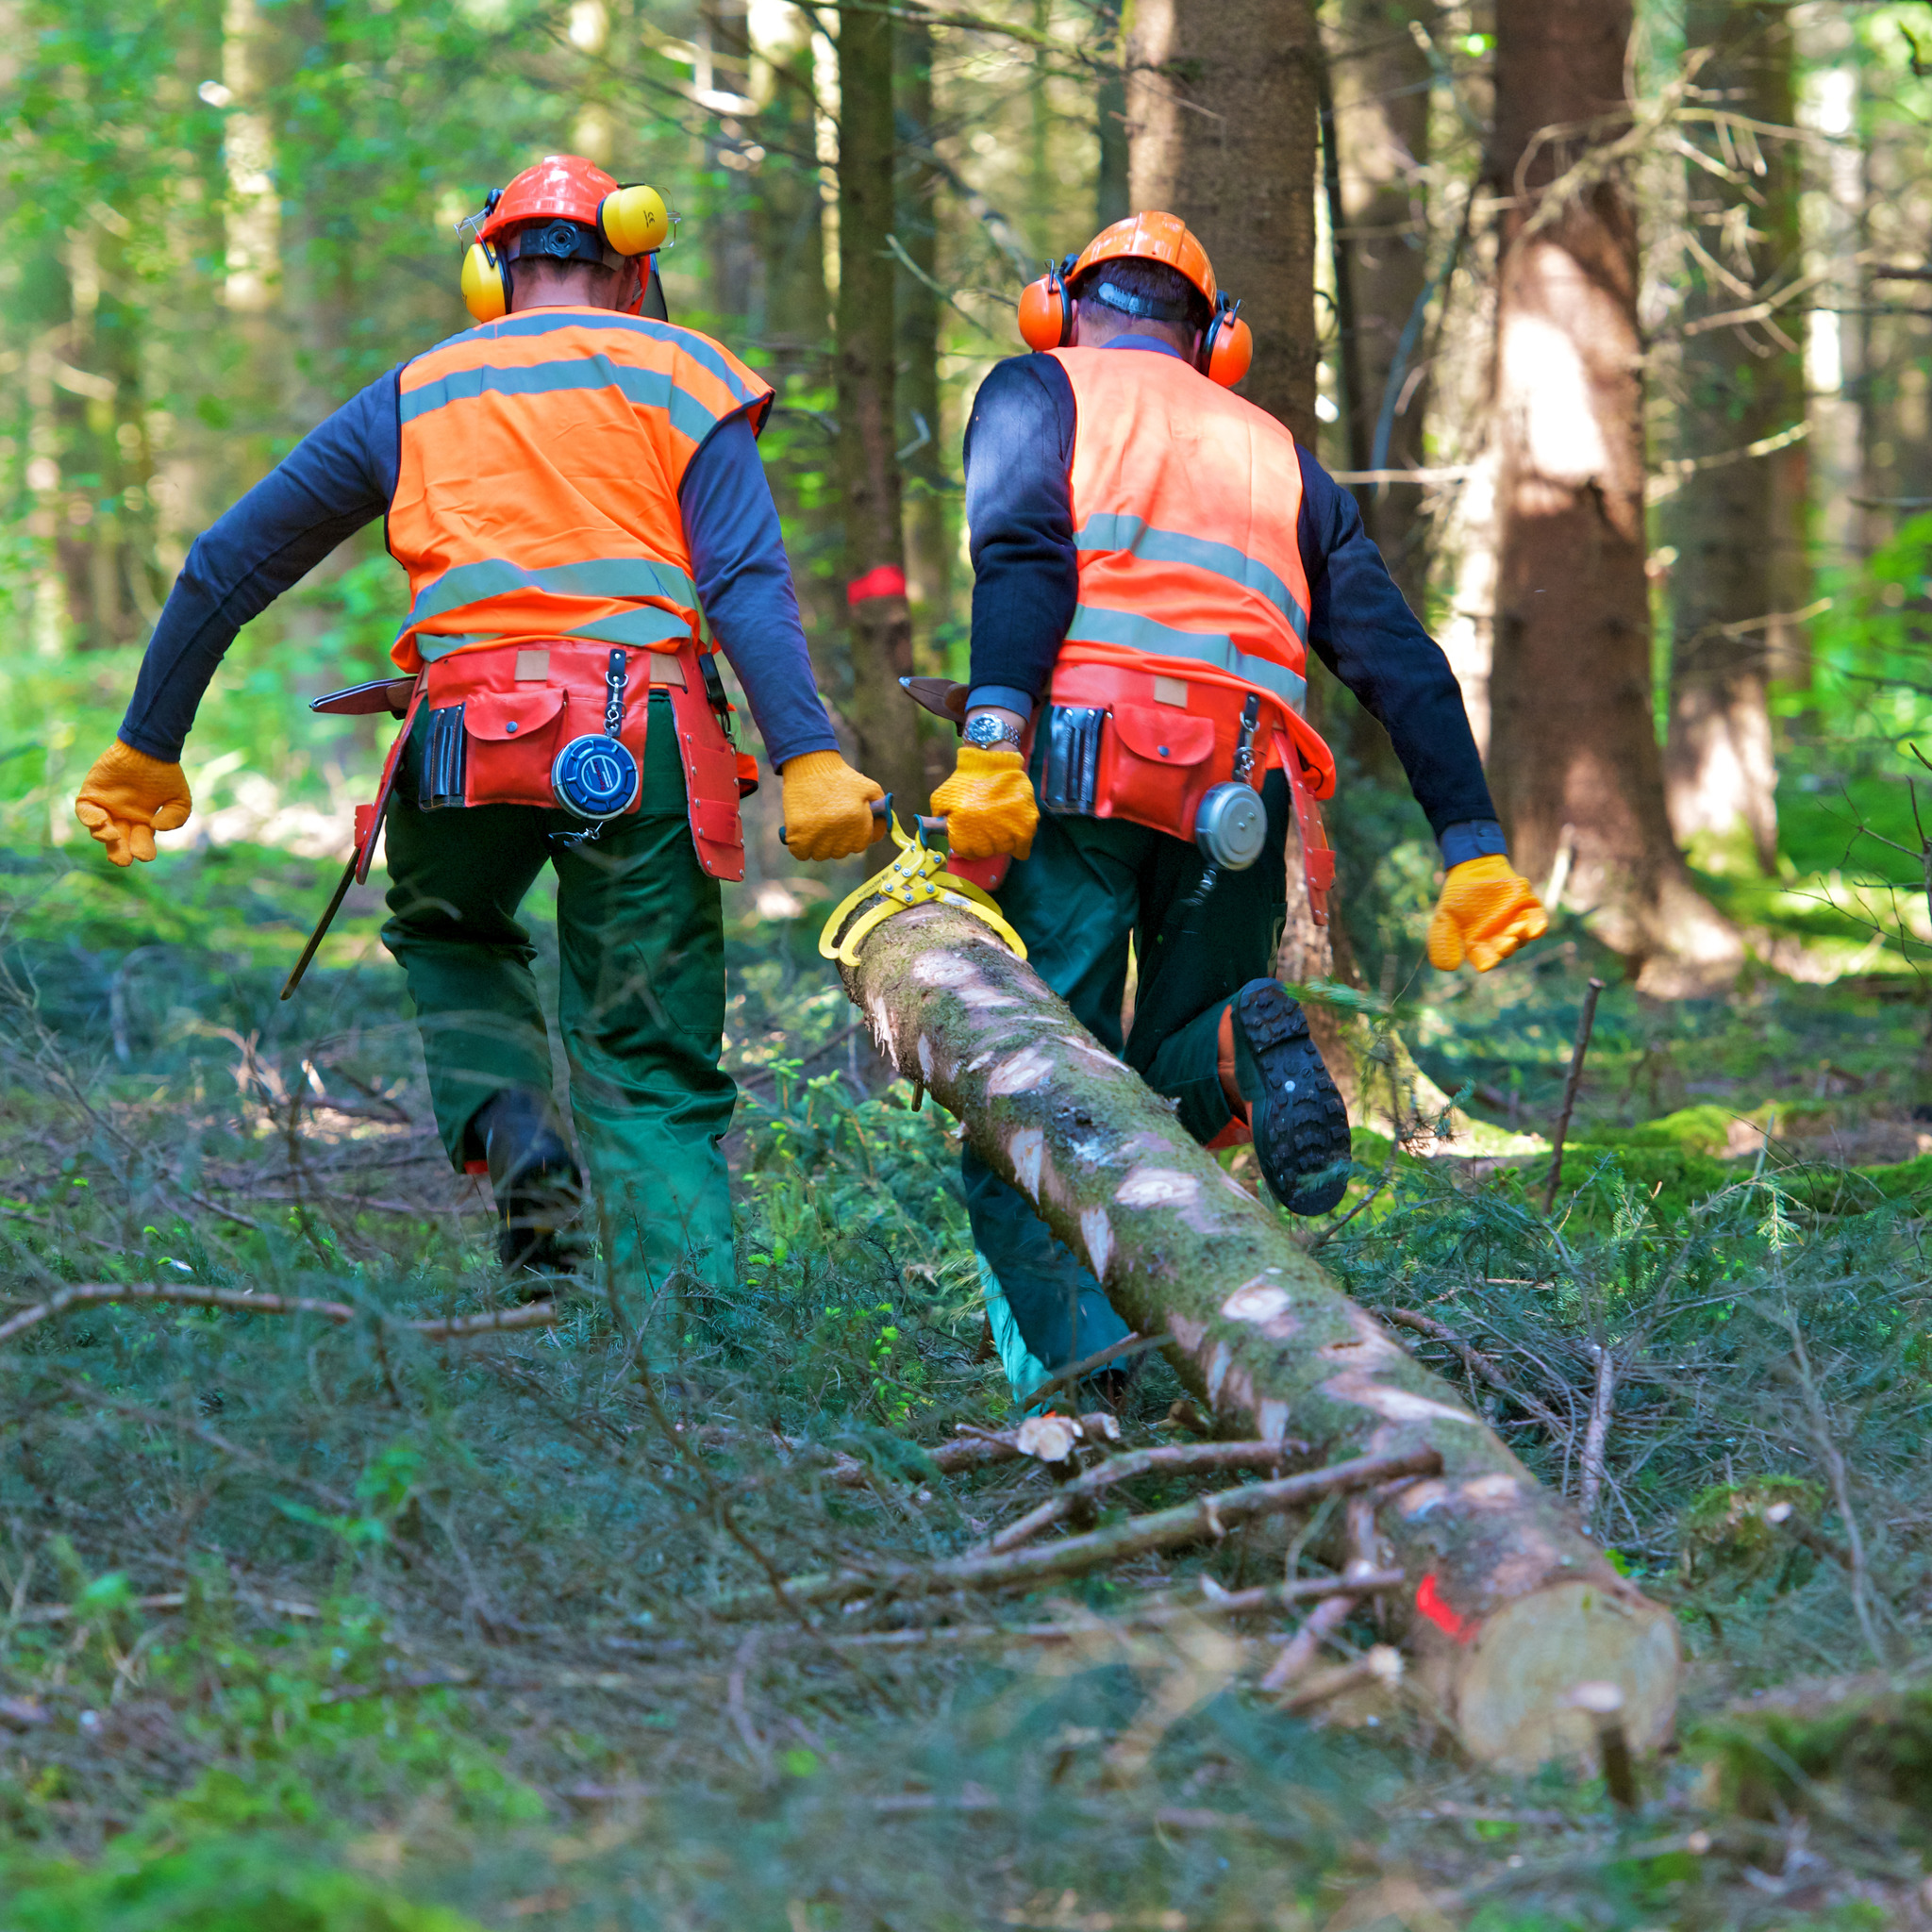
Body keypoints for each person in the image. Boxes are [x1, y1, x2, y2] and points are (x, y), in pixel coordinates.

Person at [73, 154, 885, 1293]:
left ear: (489, 272)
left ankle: (515, 1129)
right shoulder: (683, 373)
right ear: (634, 266)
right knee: (644, 1055)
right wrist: (806, 755)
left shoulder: (420, 389)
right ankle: (694, 1354)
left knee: (453, 935)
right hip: (639, 738)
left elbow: (225, 563)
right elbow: (746, 579)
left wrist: (147, 745)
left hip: (462, 739)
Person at [929, 211, 1547, 1398]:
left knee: (1034, 1078)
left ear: (1057, 302)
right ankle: (1238, 1041)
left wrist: (991, 735)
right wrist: (1471, 847)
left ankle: (1070, 1393)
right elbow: (1396, 658)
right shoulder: (1277, 454)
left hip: (1073, 771)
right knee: (1166, 1064)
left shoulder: (1034, 386)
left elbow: (1020, 556)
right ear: (1215, 339)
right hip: (1242, 793)